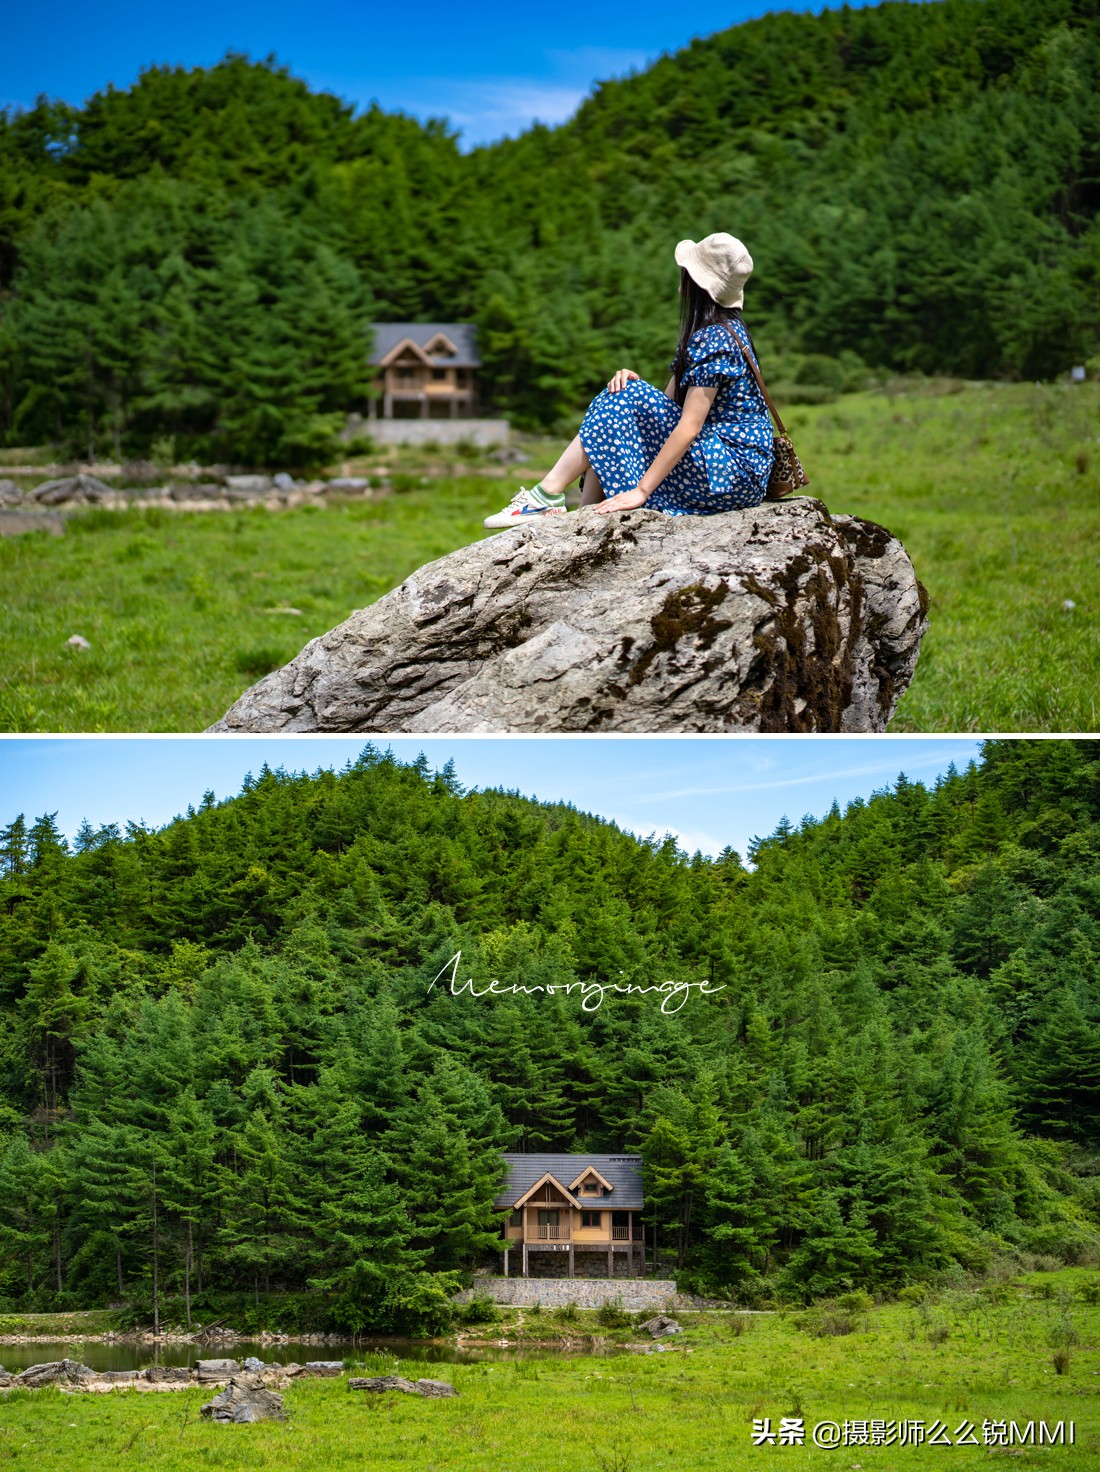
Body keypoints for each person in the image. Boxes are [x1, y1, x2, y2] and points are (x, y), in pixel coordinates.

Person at [483, 233, 774, 529]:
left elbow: (689, 425)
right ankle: (581, 517)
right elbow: (667, 408)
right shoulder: (719, 330)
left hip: (732, 471)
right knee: (620, 398)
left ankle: (549, 496)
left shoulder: (714, 337)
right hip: (729, 467)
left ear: (697, 281)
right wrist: (634, 389)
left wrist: (642, 490)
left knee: (623, 398)